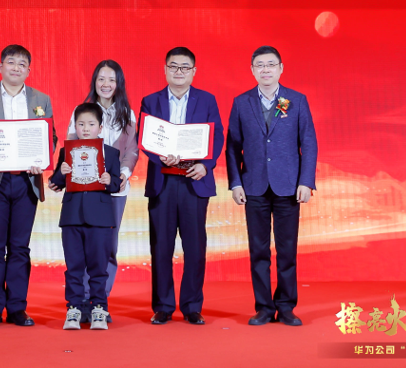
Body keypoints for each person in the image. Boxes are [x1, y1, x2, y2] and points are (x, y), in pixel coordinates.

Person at [0, 44, 57, 327]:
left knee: (20, 247)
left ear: (29, 70)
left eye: (22, 64)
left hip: (26, 181)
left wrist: (42, 159)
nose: (16, 68)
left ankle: (17, 307)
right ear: (0, 66)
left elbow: (49, 136)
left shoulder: (41, 99)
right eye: (11, 62)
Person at [225, 45, 317, 326]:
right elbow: (233, 147)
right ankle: (264, 308)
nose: (265, 70)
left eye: (270, 64)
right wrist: (235, 183)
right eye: (260, 65)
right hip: (253, 186)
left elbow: (309, 143)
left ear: (280, 68)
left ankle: (286, 307)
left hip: (288, 186)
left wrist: (306, 181)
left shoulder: (295, 100)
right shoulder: (242, 102)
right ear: (252, 70)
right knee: (259, 251)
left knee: (287, 250)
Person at [139, 47, 224, 325]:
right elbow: (145, 137)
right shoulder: (150, 101)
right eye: (173, 66)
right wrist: (159, 156)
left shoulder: (207, 99)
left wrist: (206, 165)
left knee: (195, 246)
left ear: (193, 72)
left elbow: (217, 136)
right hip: (162, 181)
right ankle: (163, 306)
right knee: (161, 246)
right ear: (165, 69)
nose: (179, 72)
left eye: (185, 67)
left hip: (194, 180)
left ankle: (191, 306)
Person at [63, 60, 138, 302]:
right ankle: (82, 299)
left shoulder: (127, 113)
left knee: (107, 247)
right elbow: (70, 147)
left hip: (114, 191)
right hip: (84, 191)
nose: (106, 84)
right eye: (101, 79)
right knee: (84, 246)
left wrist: (123, 174)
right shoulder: (82, 110)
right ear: (94, 82)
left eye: (111, 80)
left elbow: (131, 150)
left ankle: (99, 300)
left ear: (119, 83)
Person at [49, 103, 122, 330]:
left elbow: (116, 185)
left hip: (100, 218)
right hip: (72, 216)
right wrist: (60, 174)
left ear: (100, 127)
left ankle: (99, 307)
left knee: (99, 266)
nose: (86, 129)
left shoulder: (111, 153)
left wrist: (110, 180)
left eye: (91, 124)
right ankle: (74, 308)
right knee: (74, 266)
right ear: (75, 126)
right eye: (81, 124)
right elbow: (55, 183)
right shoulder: (67, 151)